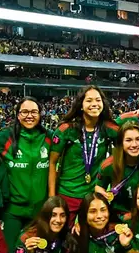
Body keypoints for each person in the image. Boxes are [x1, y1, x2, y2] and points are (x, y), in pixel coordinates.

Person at [50, 86, 120, 216]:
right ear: (81, 105)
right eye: (89, 100)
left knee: (90, 234)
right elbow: (52, 163)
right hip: (68, 194)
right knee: (65, 235)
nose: (94, 104)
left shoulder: (109, 129)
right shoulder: (66, 130)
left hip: (93, 195)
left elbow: (126, 150)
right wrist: (52, 198)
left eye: (98, 100)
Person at [0, 98, 54, 249]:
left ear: (40, 114)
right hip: (13, 211)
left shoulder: (49, 137)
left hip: (39, 211)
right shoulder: (5, 137)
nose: (30, 116)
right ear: (17, 115)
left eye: (34, 112)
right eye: (25, 112)